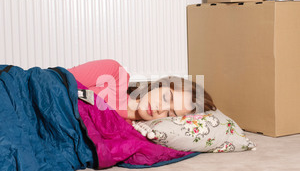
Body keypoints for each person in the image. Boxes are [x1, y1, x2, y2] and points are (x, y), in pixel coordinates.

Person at [68, 59, 216, 123]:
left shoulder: (129, 134)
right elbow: (55, 80)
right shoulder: (114, 74)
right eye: (166, 98)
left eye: (170, 114)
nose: (160, 108)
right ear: (160, 85)